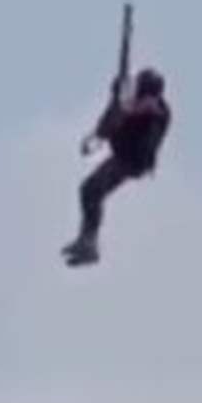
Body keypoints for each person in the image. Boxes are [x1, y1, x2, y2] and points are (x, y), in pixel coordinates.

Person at [61, 67, 172, 266]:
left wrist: (128, 107)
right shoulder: (127, 100)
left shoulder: (158, 111)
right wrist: (116, 99)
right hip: (122, 153)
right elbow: (107, 125)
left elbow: (147, 111)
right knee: (88, 189)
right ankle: (87, 238)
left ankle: (89, 243)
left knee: (94, 188)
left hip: (134, 160)